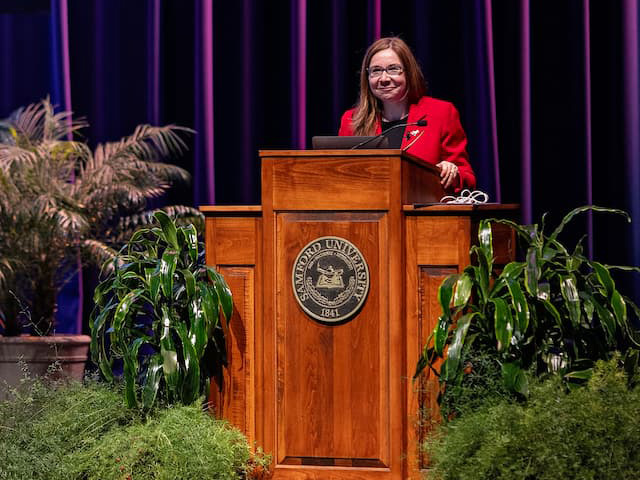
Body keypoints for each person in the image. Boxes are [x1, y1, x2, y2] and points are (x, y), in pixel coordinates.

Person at [339, 37, 476, 192]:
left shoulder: (441, 113)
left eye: (393, 69)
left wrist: (452, 171)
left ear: (409, 72)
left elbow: (467, 177)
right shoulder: (351, 119)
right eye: (376, 71)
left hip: (421, 212)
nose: (384, 79)